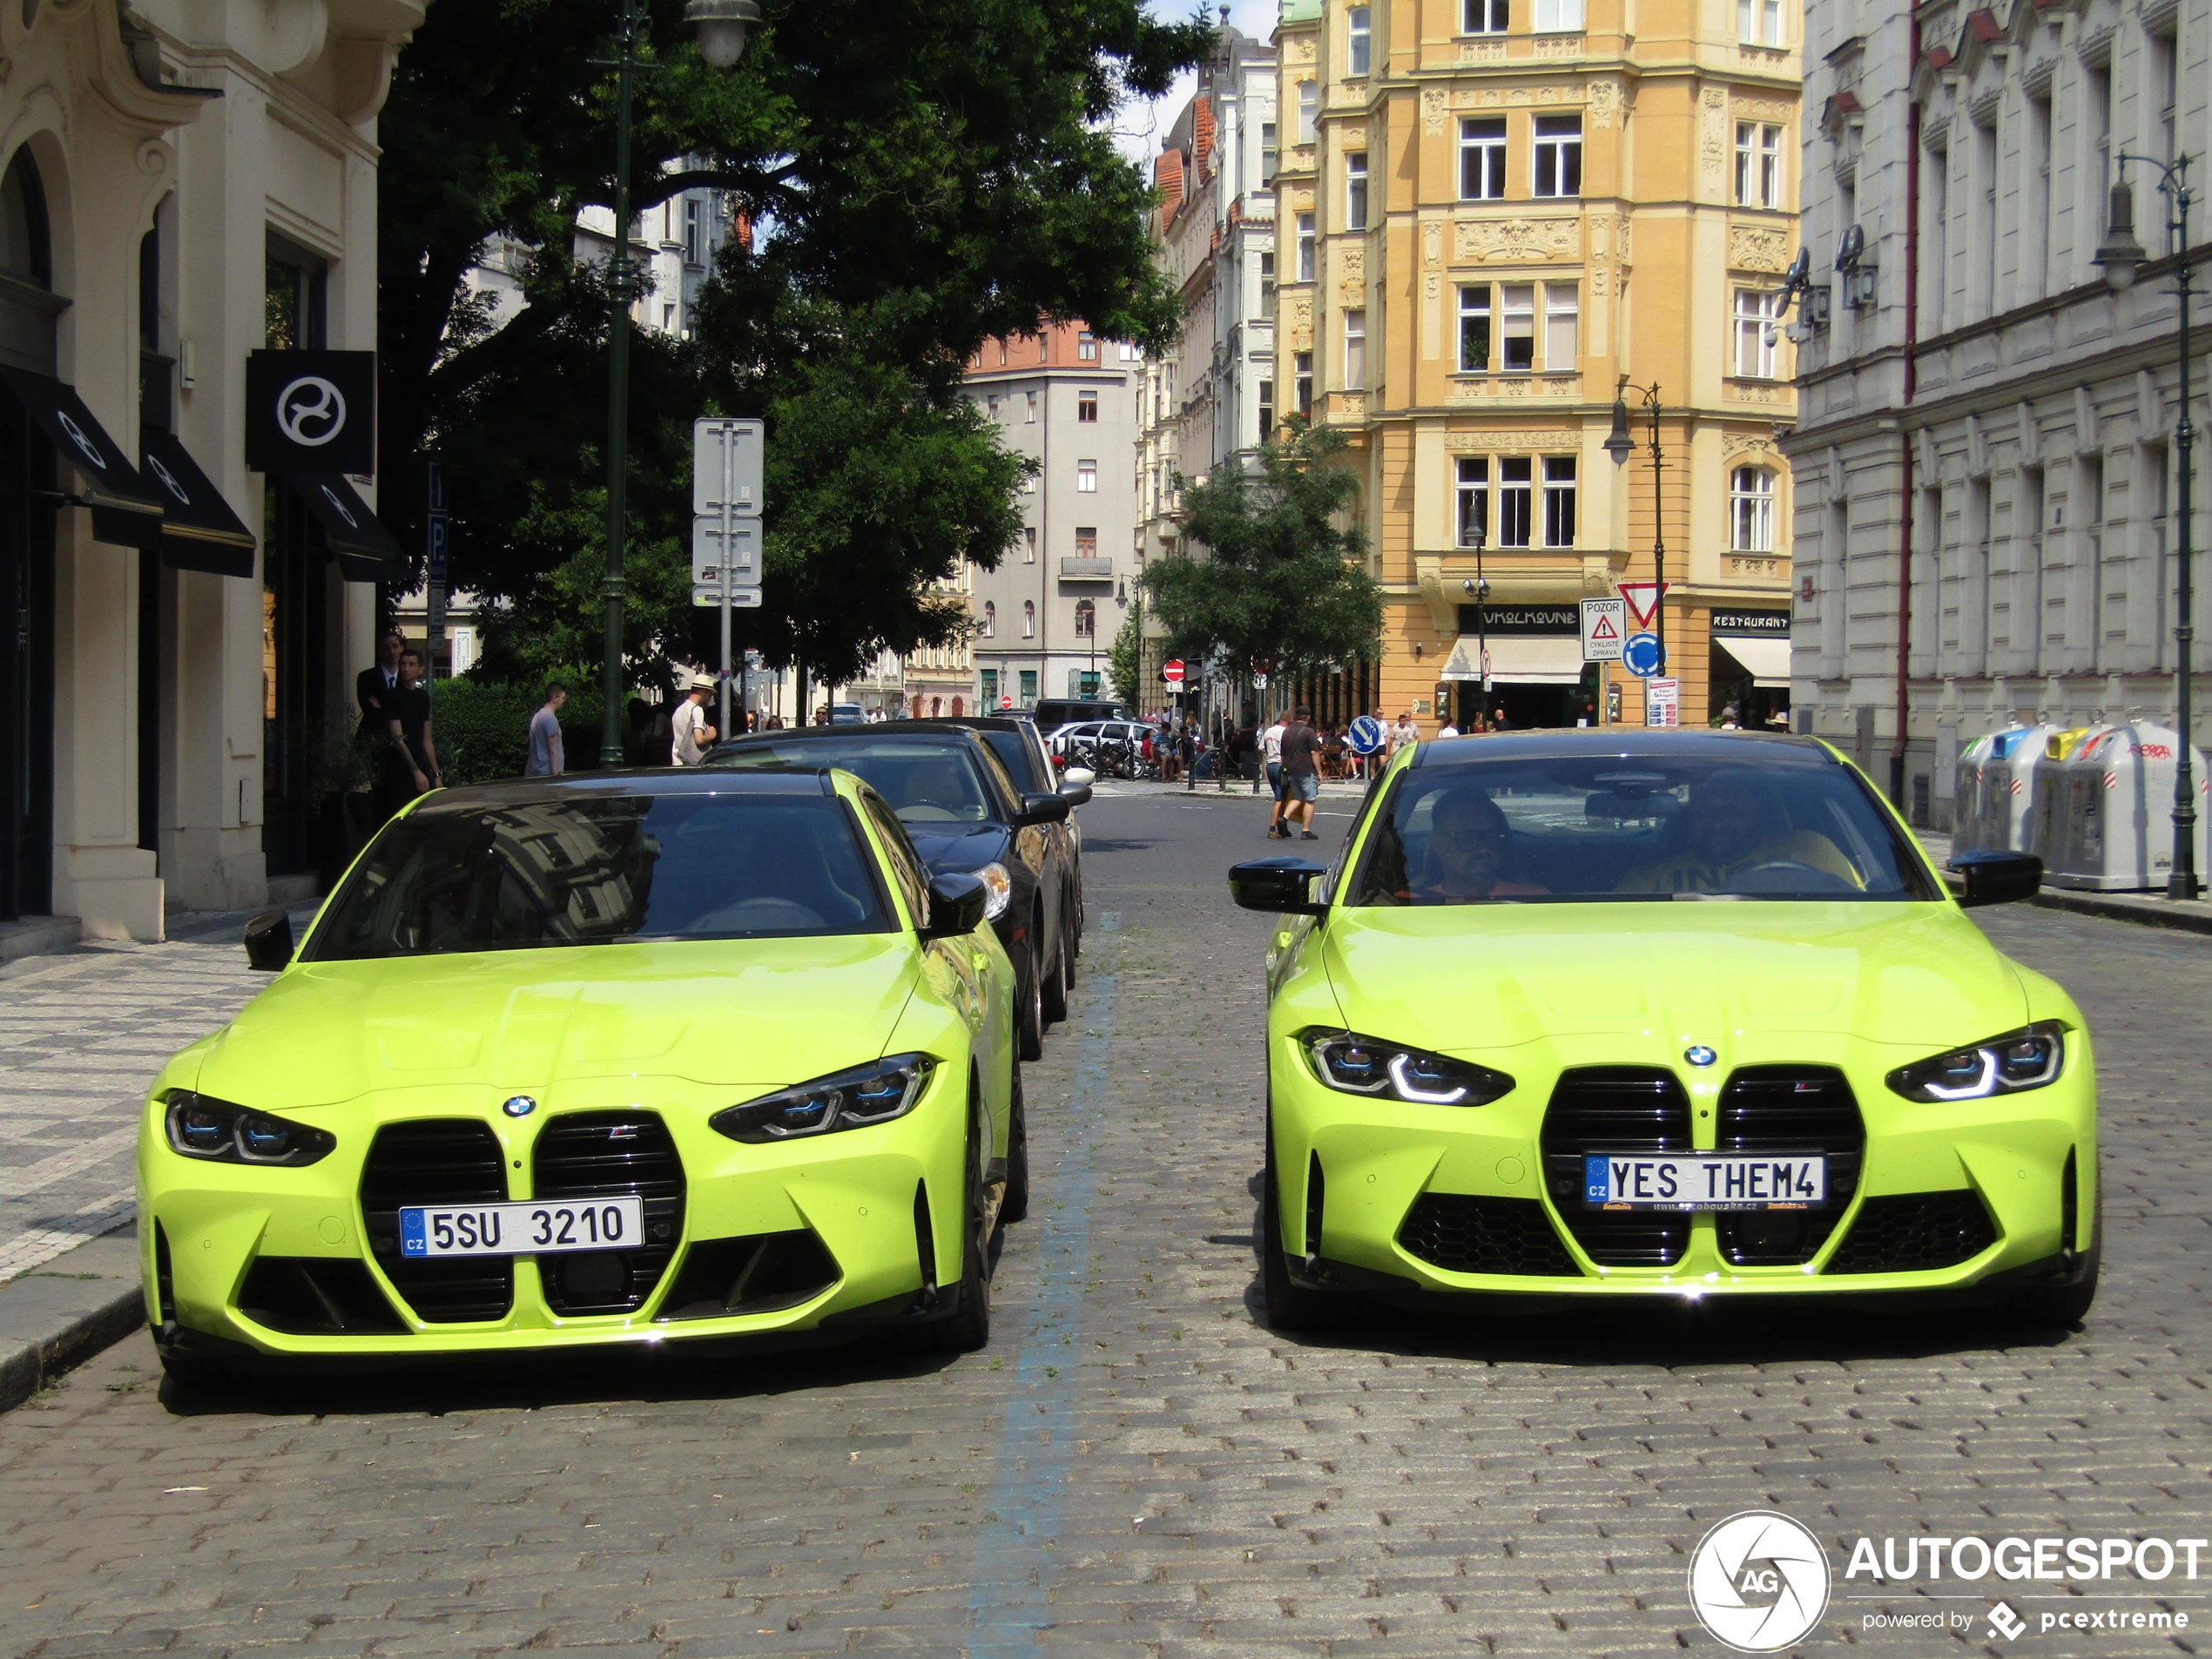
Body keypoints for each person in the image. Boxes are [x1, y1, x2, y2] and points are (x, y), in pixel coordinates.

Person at [1617, 771, 1863, 894]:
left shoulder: (1810, 850)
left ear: (1757, 812)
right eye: (1706, 811)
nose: (1718, 823)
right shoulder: (1647, 880)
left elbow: (1857, 915)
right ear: (1689, 816)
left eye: (1732, 811)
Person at [1401, 790, 1548, 901]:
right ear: (1439, 846)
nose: (1483, 849)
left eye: (1490, 837)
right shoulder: (1405, 903)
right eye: (1467, 838)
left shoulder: (1538, 900)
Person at [376, 648, 440, 817]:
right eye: (403, 664)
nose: (406, 669)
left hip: (420, 763)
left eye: (412, 665)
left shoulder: (423, 698)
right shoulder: (393, 697)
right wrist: (415, 771)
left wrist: (436, 773)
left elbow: (426, 738)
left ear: (420, 670)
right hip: (400, 768)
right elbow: (397, 738)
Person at [1279, 705, 1324, 840]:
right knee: (1310, 799)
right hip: (1305, 769)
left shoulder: (1286, 731)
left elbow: (1283, 754)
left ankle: (1284, 818)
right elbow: (1314, 752)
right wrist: (1319, 772)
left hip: (1290, 770)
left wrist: (1285, 767)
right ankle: (1306, 831)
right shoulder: (1309, 732)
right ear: (1308, 717)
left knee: (1297, 797)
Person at [355, 630, 404, 738]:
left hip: (401, 744)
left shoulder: (406, 678)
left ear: (402, 648)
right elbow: (370, 712)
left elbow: (408, 713)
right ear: (380, 651)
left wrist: (381, 707)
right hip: (372, 742)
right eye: (387, 648)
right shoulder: (366, 678)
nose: (392, 652)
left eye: (395, 646)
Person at [671, 675, 719, 765]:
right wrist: (712, 735)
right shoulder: (697, 710)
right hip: (691, 763)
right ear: (703, 691)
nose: (710, 698)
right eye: (710, 694)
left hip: (677, 761)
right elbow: (699, 739)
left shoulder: (679, 710)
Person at [527, 683, 567, 777]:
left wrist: (527, 775)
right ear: (555, 698)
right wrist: (556, 777)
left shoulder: (537, 717)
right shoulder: (550, 719)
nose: (565, 701)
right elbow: (553, 751)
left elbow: (532, 750)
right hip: (547, 774)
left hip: (536, 772)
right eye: (563, 698)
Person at [1262, 711, 1289, 836]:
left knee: (1281, 796)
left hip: (1270, 765)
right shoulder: (1285, 733)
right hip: (1279, 765)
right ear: (1290, 721)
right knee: (1279, 798)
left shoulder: (1269, 731)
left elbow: (1261, 747)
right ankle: (1272, 828)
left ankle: (1282, 826)